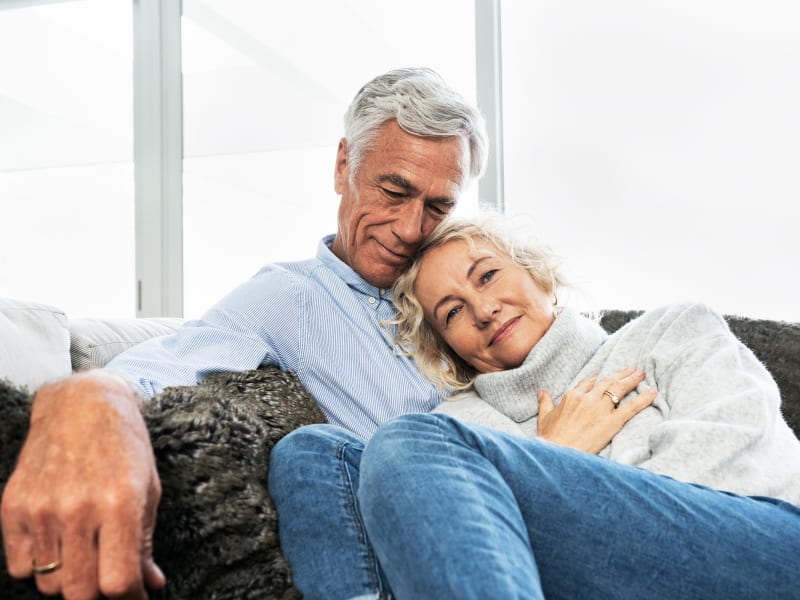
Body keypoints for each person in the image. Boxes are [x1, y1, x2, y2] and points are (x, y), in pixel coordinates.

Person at [1, 67, 490, 600]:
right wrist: (85, 396)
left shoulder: (460, 289)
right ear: (344, 164)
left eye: (439, 207)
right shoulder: (287, 299)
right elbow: (155, 368)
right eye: (394, 191)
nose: (411, 229)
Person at [272, 216, 800, 599]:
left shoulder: (673, 330)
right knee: (313, 450)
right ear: (448, 348)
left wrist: (562, 470)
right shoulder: (457, 428)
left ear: (539, 275)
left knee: (407, 442)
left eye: (487, 276)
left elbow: (739, 471)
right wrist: (557, 450)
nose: (482, 309)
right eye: (452, 311)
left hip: (760, 549)